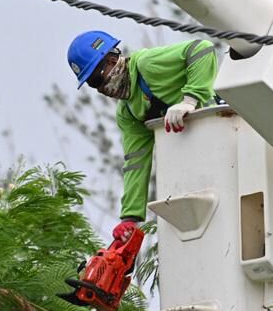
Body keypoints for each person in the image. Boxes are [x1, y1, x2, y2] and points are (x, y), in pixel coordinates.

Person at [67, 30, 219, 243]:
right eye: (92, 84)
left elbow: (201, 49)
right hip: (199, 156)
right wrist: (130, 218)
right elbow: (136, 162)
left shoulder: (147, 65)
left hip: (223, 125)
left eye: (97, 77)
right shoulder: (128, 112)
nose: (100, 88)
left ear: (112, 61)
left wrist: (190, 100)